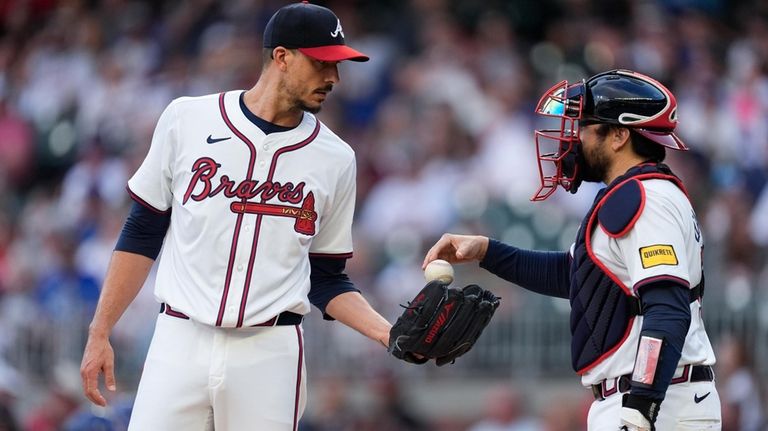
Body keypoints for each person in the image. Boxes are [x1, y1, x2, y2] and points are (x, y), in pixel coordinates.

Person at [79, 2, 392, 430]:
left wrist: (386, 333)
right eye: (322, 63)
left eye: (338, 66)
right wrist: (101, 331)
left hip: (270, 349)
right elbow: (142, 231)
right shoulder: (187, 119)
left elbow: (327, 276)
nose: (333, 78)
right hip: (180, 337)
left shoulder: (336, 158)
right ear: (282, 57)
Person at [424, 69, 721, 430]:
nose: (574, 138)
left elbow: (668, 311)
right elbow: (577, 276)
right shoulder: (635, 194)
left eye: (584, 126)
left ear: (618, 135)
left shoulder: (644, 197)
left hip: (659, 401)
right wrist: (486, 251)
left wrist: (641, 404)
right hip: (652, 397)